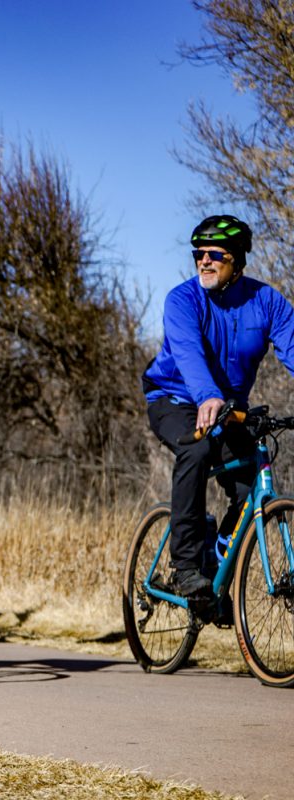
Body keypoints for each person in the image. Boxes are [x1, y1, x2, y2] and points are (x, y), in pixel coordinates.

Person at [142, 214, 294, 597]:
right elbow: (189, 352)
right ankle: (186, 567)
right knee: (196, 447)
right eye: (198, 253)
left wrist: (220, 402)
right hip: (173, 399)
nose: (204, 261)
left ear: (238, 261)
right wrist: (207, 394)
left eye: (215, 254)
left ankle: (216, 559)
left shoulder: (267, 302)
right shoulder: (183, 300)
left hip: (229, 409)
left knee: (250, 486)